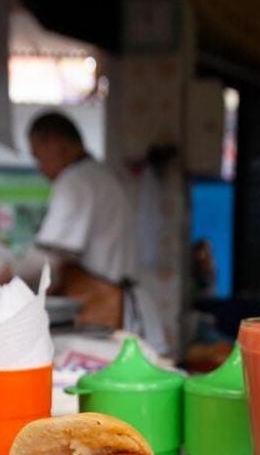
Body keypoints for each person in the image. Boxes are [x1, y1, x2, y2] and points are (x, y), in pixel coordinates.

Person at [22, 111, 167, 354]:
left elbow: (45, 257)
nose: (40, 169)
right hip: (124, 305)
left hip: (107, 308)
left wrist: (5, 277)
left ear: (56, 143)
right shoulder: (100, 176)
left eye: (38, 156)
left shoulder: (75, 182)